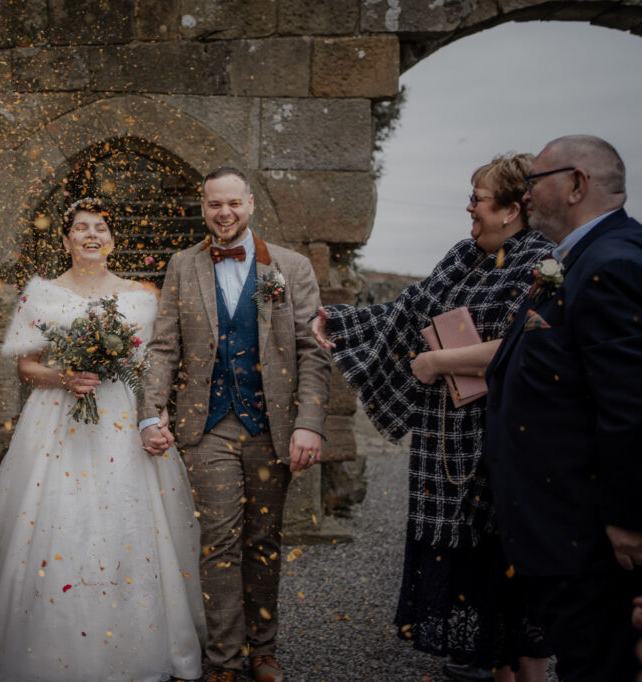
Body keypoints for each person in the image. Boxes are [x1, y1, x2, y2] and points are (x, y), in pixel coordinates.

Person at [311, 153, 552, 682]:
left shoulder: (542, 261)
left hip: (509, 444)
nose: (468, 208)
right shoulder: (463, 256)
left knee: (507, 573)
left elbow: (522, 344)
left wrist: (437, 362)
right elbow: (407, 311)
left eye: (478, 199)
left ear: (512, 210)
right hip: (448, 445)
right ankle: (488, 665)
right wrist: (343, 321)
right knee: (469, 562)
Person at [0, 198, 205, 682]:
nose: (91, 235)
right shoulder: (42, 294)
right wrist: (65, 376)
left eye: (100, 228)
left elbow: (154, 367)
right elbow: (26, 366)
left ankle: (138, 638)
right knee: (55, 517)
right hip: (58, 420)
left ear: (113, 240)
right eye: (81, 228)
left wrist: (156, 417)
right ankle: (45, 638)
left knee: (129, 519)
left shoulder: (142, 296)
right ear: (66, 238)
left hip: (123, 419)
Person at [140, 167, 331, 682]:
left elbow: (314, 352)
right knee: (219, 540)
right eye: (213, 205)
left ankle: (263, 650)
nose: (224, 213)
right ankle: (224, 659)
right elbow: (164, 346)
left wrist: (309, 423)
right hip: (208, 425)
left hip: (273, 425)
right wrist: (148, 411)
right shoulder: (183, 265)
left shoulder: (290, 267)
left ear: (250, 204)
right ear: (202, 208)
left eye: (233, 204)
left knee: (264, 538)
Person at [484, 136, 642, 681]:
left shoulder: (614, 263)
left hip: (590, 530)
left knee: (599, 664)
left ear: (577, 184)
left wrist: (628, 518)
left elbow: (628, 403)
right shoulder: (577, 258)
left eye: (534, 182)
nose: (525, 196)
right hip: (562, 525)